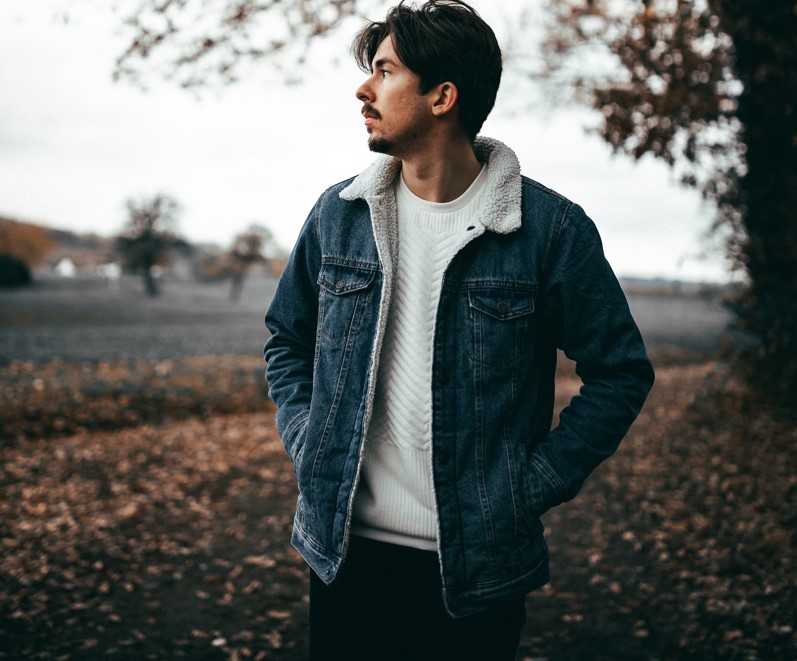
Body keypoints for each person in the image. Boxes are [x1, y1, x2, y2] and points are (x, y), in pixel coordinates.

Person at [264, 1, 655, 658]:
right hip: (342, 555)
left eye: (384, 71)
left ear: (443, 95)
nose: (363, 89)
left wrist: (527, 486)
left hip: (478, 570)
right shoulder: (337, 216)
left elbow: (619, 371)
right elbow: (285, 339)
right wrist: (310, 443)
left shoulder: (549, 231)